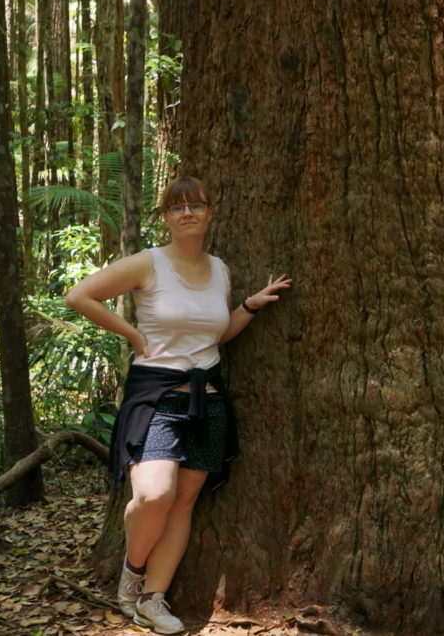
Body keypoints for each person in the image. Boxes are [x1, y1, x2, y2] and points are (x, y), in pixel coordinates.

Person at [65, 176, 291, 634]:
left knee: (183, 504)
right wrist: (131, 333)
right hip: (156, 396)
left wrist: (249, 306)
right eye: (177, 207)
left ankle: (153, 599)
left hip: (207, 400)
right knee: (154, 496)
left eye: (196, 205)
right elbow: (79, 296)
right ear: (166, 217)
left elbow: (216, 335)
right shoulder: (148, 263)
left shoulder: (220, 270)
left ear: (210, 213)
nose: (187, 213)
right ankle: (132, 575)